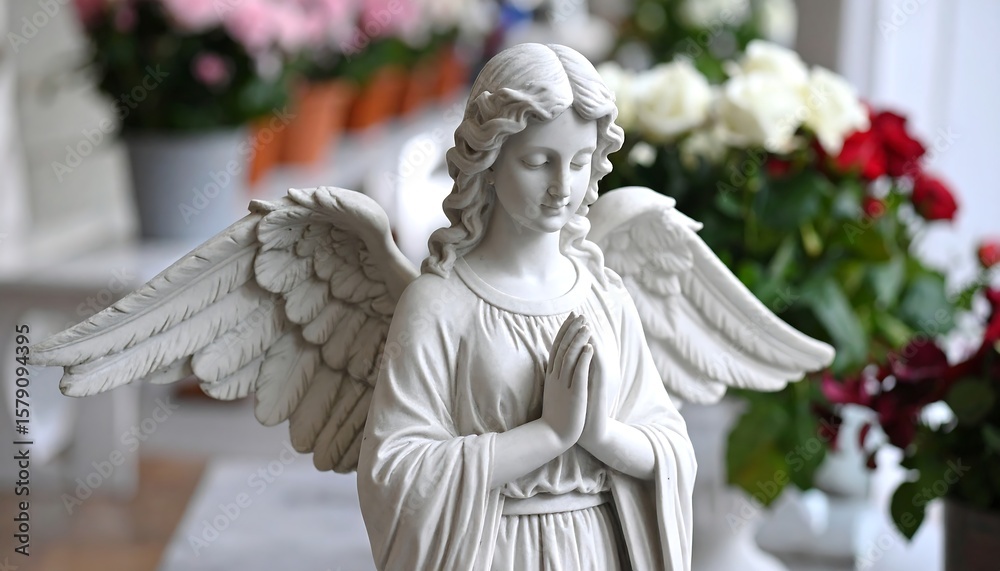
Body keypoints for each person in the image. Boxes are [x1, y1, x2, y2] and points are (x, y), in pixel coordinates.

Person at [357, 43, 697, 570]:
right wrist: (549, 435)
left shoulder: (605, 295)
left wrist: (600, 434)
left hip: (598, 547)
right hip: (493, 549)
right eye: (538, 162)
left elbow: (670, 448)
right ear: (489, 160)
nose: (562, 187)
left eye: (580, 163)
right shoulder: (440, 304)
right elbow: (397, 471)